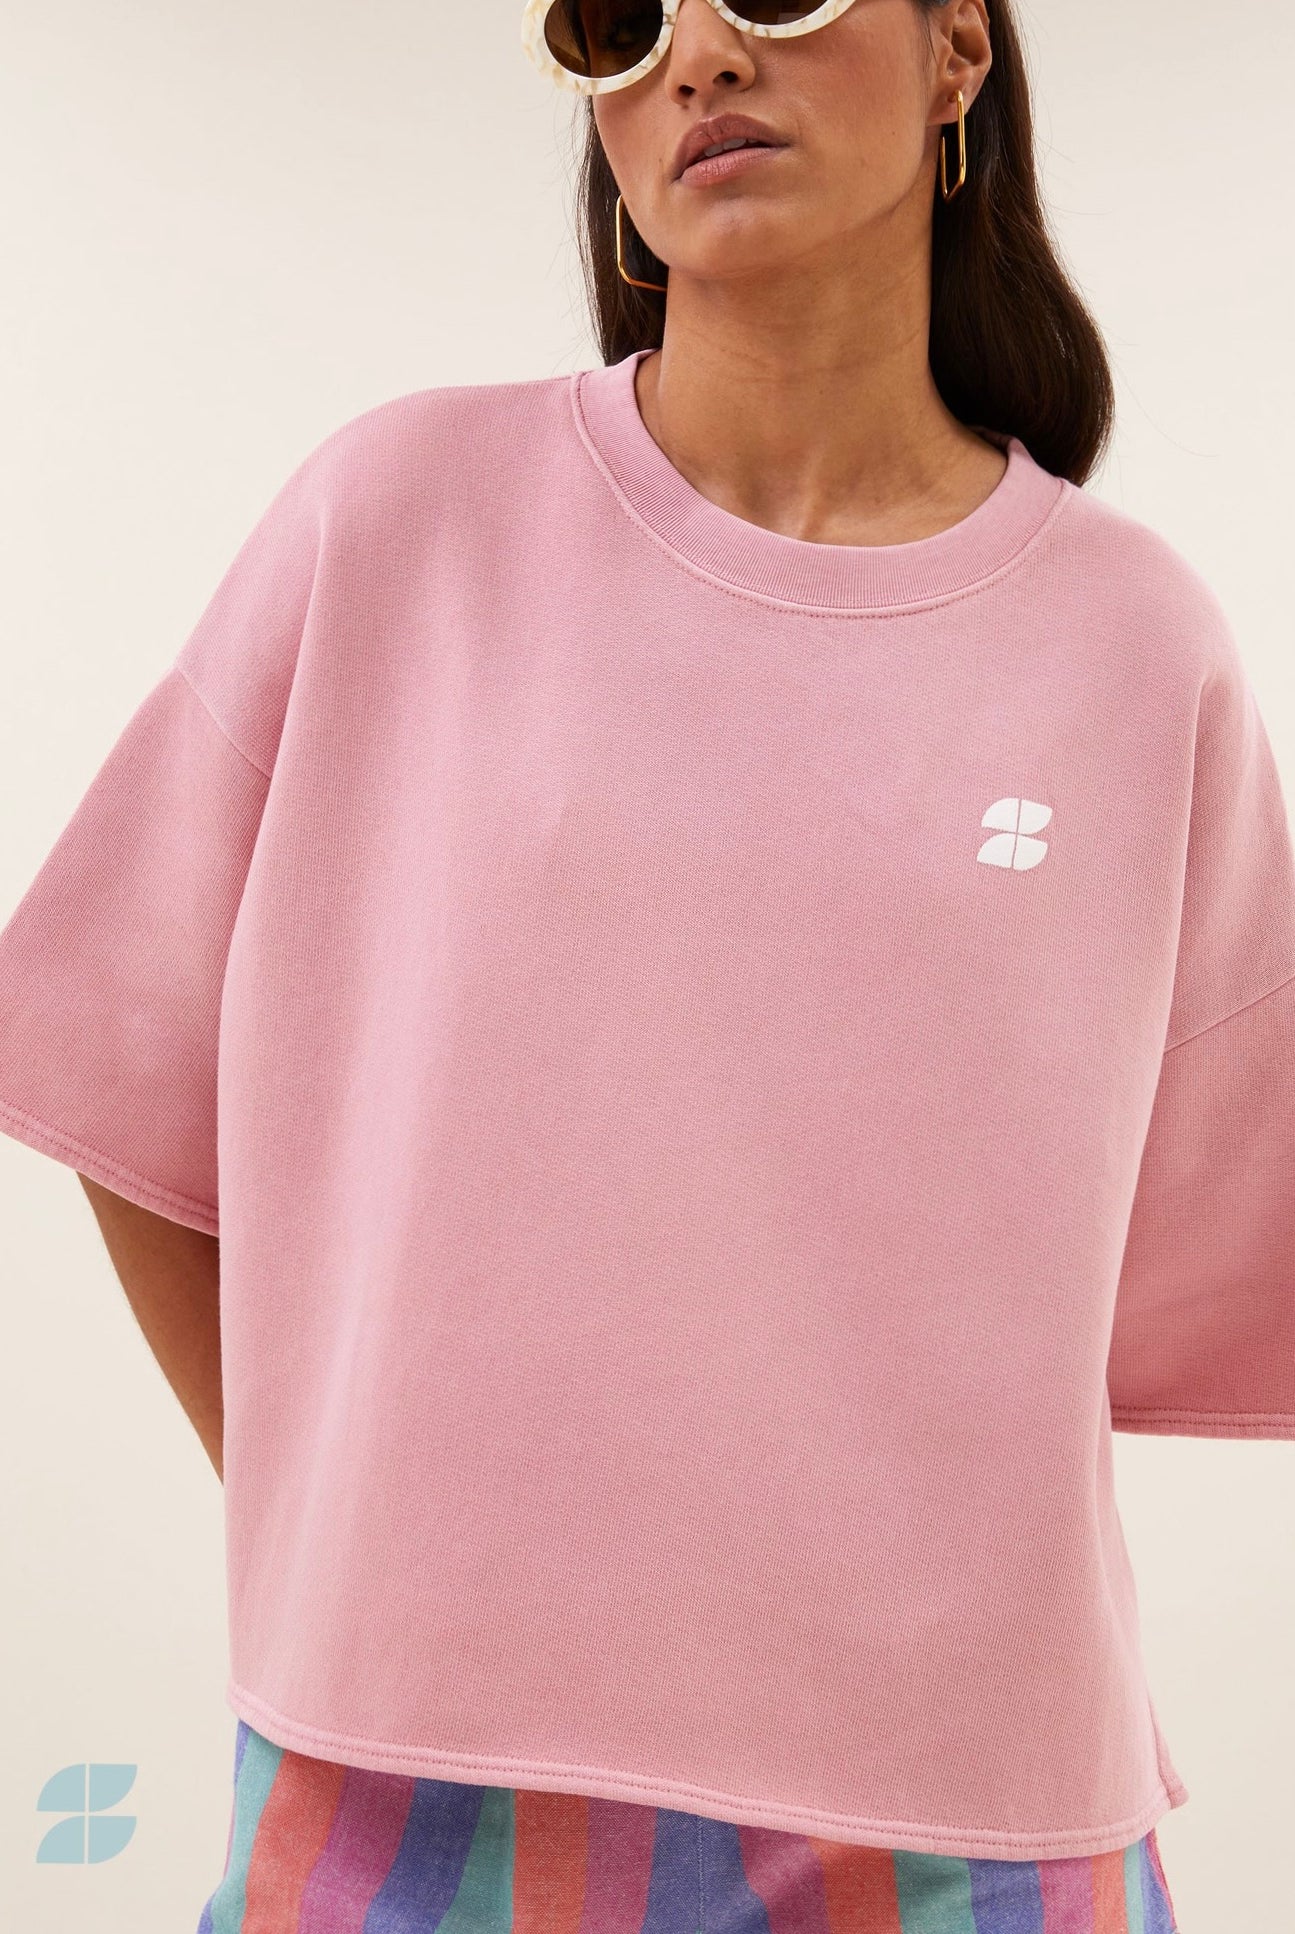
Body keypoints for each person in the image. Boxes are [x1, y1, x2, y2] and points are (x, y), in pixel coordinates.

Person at [5, 0, 1293, 1924]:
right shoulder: (395, 521)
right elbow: (117, 1074)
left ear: (959, 47)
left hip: (965, 1817)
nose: (698, 52)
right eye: (621, 18)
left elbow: (1159, 1273)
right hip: (411, 1789)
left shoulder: (1137, 648)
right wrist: (350, 1527)